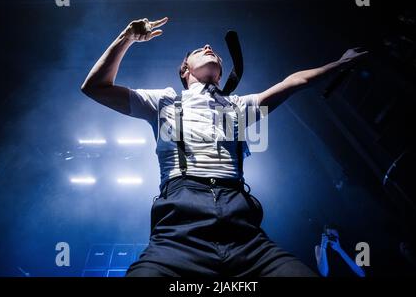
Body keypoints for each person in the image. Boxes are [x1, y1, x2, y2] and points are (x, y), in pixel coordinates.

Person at [81, 16, 367, 276]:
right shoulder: (164, 101)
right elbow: (95, 87)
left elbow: (294, 82)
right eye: (198, 50)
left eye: (214, 52)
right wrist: (127, 37)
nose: (208, 46)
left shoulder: (238, 106)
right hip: (178, 232)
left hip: (245, 234)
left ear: (220, 74)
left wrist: (339, 64)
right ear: (185, 70)